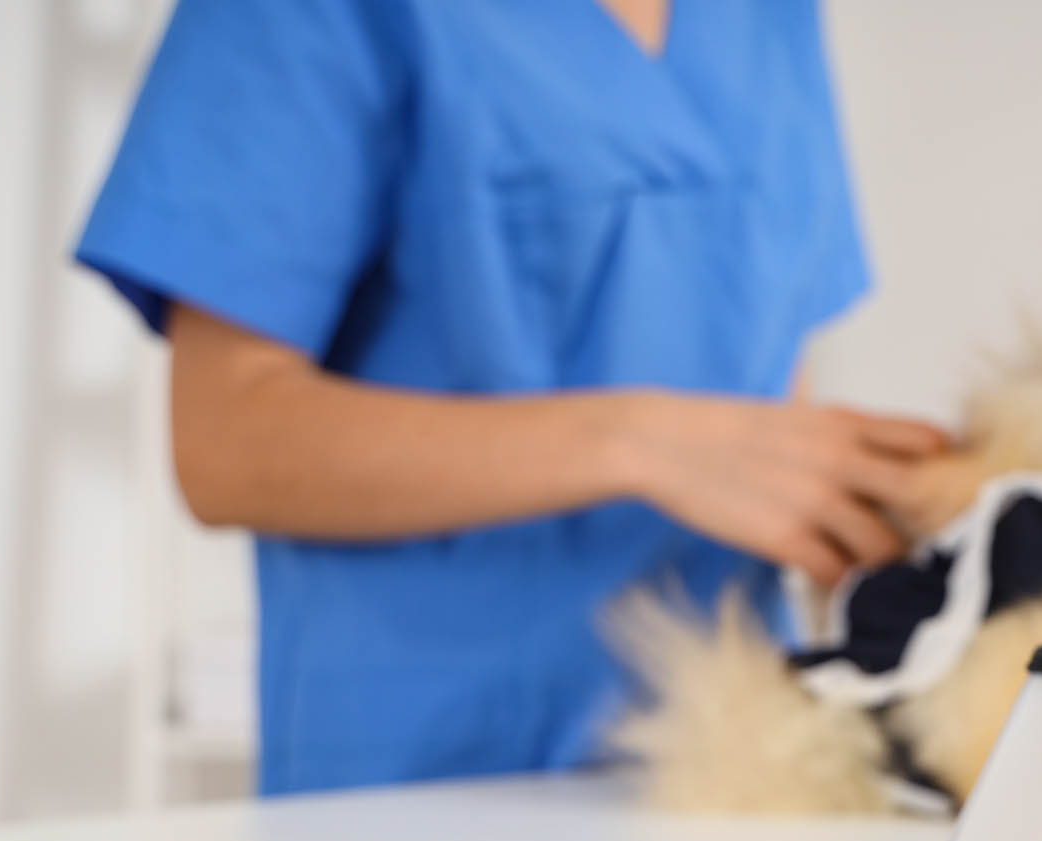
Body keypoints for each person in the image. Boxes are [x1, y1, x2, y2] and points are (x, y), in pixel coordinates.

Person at [76, 0, 951, 795]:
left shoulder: (771, 18)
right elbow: (225, 442)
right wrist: (641, 441)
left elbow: (771, 376)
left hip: (724, 781)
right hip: (420, 784)